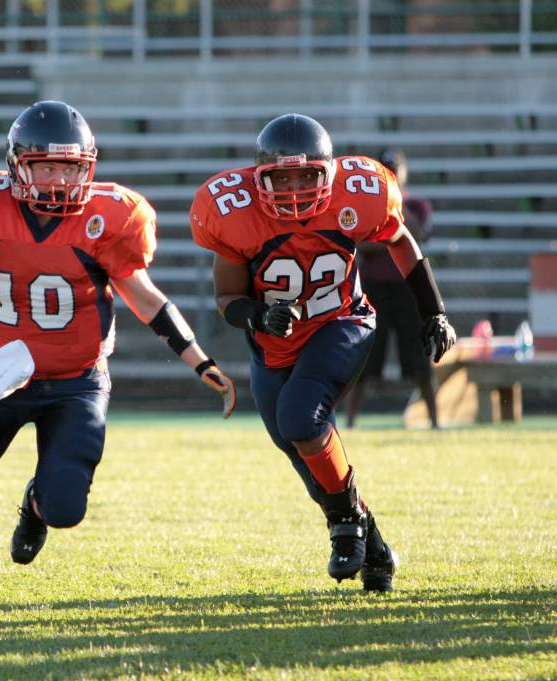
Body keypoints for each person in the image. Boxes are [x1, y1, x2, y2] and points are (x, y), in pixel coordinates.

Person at [0, 100, 236, 634]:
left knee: (65, 506)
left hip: (77, 384)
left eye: (69, 167)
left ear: (87, 167)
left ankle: (35, 505)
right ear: (17, 165)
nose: (57, 178)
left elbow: (141, 296)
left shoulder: (112, 216)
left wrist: (197, 359)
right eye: (45, 165)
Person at [189, 113, 456, 591]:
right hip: (273, 348)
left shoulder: (359, 195)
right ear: (258, 179)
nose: (294, 187)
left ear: (328, 174)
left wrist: (432, 312)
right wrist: (256, 314)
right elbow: (227, 297)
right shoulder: (234, 213)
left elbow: (400, 241)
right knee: (307, 457)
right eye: (282, 176)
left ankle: (344, 528)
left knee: (300, 420)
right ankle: (373, 547)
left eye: (307, 175)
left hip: (341, 323)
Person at [346, 148, 440, 429]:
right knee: (364, 358)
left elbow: (417, 237)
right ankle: (350, 422)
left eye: (394, 169)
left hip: (406, 287)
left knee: (419, 359)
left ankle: (436, 422)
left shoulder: (416, 206)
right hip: (373, 288)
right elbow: (359, 244)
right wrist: (391, 239)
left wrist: (394, 206)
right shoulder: (365, 207)